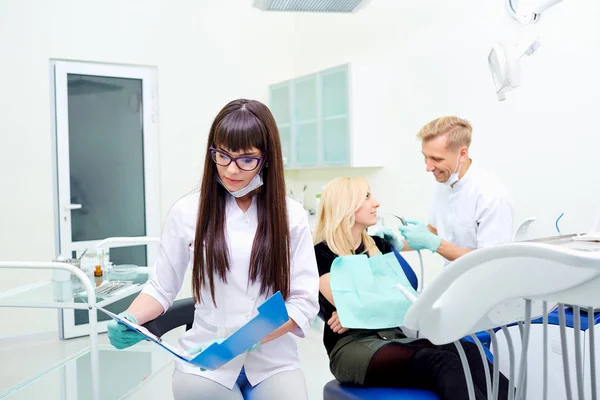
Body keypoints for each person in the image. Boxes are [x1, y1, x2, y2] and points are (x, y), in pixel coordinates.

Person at [107, 99, 320, 400]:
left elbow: (303, 302)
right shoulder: (187, 212)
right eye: (222, 155)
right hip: (204, 361)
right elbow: (161, 288)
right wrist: (131, 317)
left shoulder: (291, 215)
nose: (231, 170)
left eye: (246, 159)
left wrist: (241, 342)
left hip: (274, 360)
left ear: (267, 159)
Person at [313, 176, 509, 400]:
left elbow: (397, 302)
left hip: (393, 337)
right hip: (352, 347)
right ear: (346, 205)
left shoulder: (380, 245)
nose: (376, 203)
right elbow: (354, 306)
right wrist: (357, 311)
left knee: (467, 351)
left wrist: (355, 314)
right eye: (366, 196)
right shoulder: (322, 253)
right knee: (442, 362)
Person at [396, 116, 514, 265]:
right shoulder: (446, 181)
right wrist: (397, 244)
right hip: (455, 280)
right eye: (425, 157)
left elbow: (490, 260)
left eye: (437, 159)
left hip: (484, 284)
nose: (428, 167)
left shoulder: (491, 196)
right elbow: (434, 230)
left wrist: (436, 244)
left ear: (462, 154)